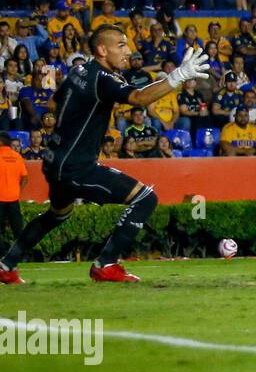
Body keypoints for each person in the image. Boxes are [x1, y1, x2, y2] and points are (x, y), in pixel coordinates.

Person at [0, 27, 210, 284]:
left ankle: (7, 264)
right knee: (145, 198)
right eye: (121, 45)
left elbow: (54, 103)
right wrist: (177, 76)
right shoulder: (104, 78)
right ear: (102, 49)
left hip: (54, 159)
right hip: (77, 166)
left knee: (57, 215)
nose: (128, 51)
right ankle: (106, 263)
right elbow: (139, 98)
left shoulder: (79, 71)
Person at [0, 132, 27, 245]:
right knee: (18, 230)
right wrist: (18, 191)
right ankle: (20, 254)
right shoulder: (17, 156)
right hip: (14, 199)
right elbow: (25, 178)